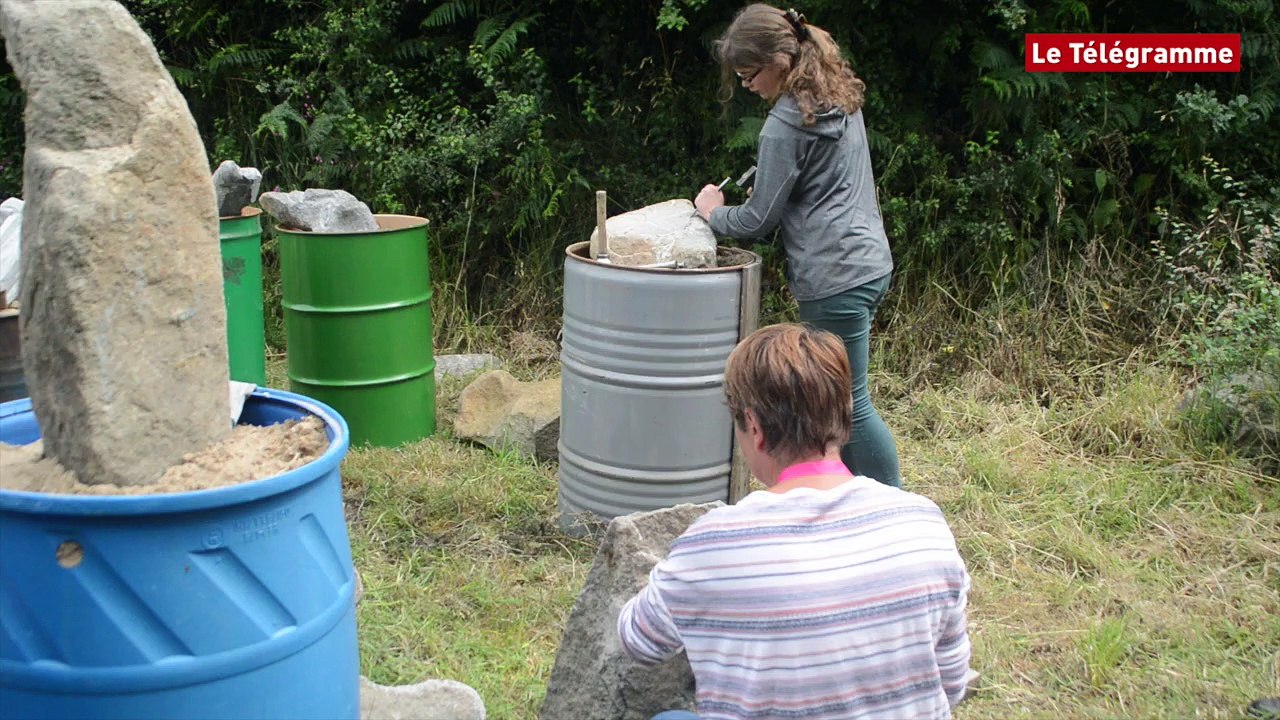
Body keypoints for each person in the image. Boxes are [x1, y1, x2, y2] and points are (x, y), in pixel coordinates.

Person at [618, 324, 972, 720]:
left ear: (753, 426)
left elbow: (638, 640)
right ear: (843, 413)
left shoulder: (712, 544)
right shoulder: (924, 523)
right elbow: (952, 684)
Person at [694, 4, 900, 488]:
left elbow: (758, 220)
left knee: (848, 406)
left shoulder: (783, 125)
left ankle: (890, 508)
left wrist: (710, 211)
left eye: (749, 73)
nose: (746, 85)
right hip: (867, 262)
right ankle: (846, 502)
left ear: (779, 60)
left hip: (834, 277)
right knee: (839, 401)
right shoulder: (836, 94)